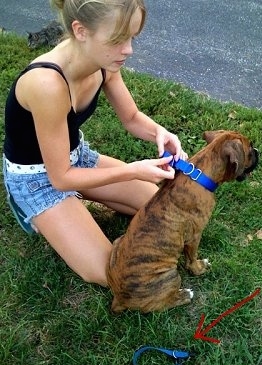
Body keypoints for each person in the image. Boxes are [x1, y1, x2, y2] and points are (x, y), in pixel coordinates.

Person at [3, 0, 187, 287]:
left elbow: (132, 117)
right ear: (80, 30)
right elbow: (60, 177)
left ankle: (81, 198)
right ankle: (28, 208)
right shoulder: (47, 84)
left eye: (131, 37)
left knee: (166, 212)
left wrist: (160, 133)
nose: (128, 50)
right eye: (117, 40)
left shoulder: (104, 62)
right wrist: (133, 170)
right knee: (109, 272)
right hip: (37, 179)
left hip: (77, 159)